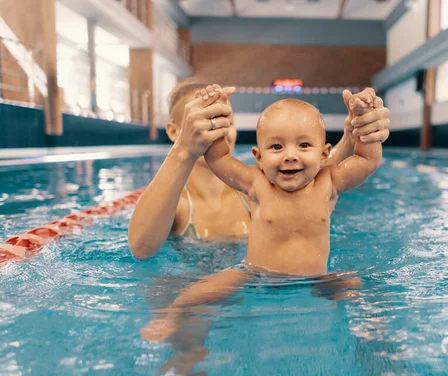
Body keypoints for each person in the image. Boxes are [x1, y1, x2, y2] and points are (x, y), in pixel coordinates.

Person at [140, 87, 383, 342]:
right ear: (258, 157)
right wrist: (218, 117)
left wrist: (364, 121)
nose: (290, 155)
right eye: (276, 147)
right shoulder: (257, 185)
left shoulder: (330, 183)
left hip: (317, 278)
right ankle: (172, 316)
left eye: (304, 145)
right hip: (254, 273)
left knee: (356, 287)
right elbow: (219, 157)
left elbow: (368, 160)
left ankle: (370, 323)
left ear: (324, 154)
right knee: (195, 293)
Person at [128, 82, 390, 259]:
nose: (216, 129)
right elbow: (141, 249)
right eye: (207, 120)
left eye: (224, 120)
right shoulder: (178, 203)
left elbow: (317, 173)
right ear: (174, 130)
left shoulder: (261, 183)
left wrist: (353, 132)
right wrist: (185, 148)